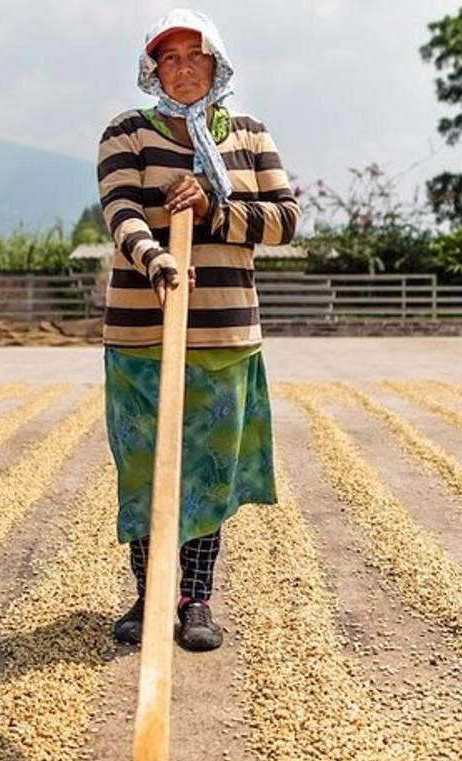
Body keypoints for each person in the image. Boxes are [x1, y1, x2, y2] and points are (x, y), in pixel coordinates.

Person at [97, 9, 300, 652]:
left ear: (218, 63)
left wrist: (215, 208)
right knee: (145, 469)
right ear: (152, 70)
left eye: (196, 56)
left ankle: (195, 600)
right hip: (141, 333)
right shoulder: (127, 133)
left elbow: (285, 219)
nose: (183, 69)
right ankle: (148, 594)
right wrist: (153, 257)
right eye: (169, 59)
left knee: (207, 474)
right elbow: (120, 209)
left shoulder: (248, 135)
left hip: (223, 334)